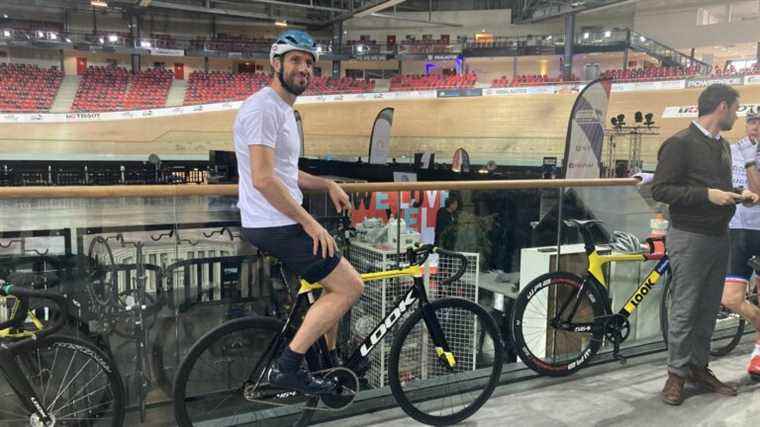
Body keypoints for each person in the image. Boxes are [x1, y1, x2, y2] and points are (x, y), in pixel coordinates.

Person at [233, 30, 364, 395]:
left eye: (309, 63)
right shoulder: (263, 108)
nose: (304, 68)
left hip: (280, 217)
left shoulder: (283, 110)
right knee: (350, 287)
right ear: (275, 64)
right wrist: (309, 223)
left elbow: (285, 174)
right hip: (274, 222)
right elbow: (262, 179)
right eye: (295, 60)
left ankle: (327, 360)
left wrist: (327, 185)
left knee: (331, 277)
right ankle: (288, 367)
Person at [652, 83, 759, 406]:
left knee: (709, 307)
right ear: (722, 107)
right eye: (737, 109)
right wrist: (706, 195)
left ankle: (699, 368)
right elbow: (661, 190)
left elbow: (721, 189)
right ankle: (676, 374)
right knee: (685, 307)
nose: (738, 116)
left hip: (718, 236)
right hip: (690, 236)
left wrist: (742, 198)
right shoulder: (679, 144)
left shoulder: (723, 147)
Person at [721, 111, 760, 378]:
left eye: (759, 124)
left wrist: (749, 162)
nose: (754, 128)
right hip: (737, 229)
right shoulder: (733, 149)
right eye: (752, 122)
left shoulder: (746, 154)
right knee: (731, 298)